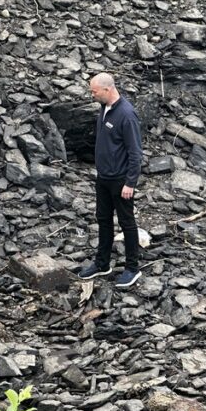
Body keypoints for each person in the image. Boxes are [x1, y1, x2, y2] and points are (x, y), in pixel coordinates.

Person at [78, 73, 144, 289]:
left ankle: (132, 268)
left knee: (127, 223)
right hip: (104, 177)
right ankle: (102, 263)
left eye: (94, 91)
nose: (92, 95)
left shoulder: (126, 115)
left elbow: (135, 153)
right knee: (103, 219)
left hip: (120, 180)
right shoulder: (104, 108)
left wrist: (130, 183)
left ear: (107, 90)